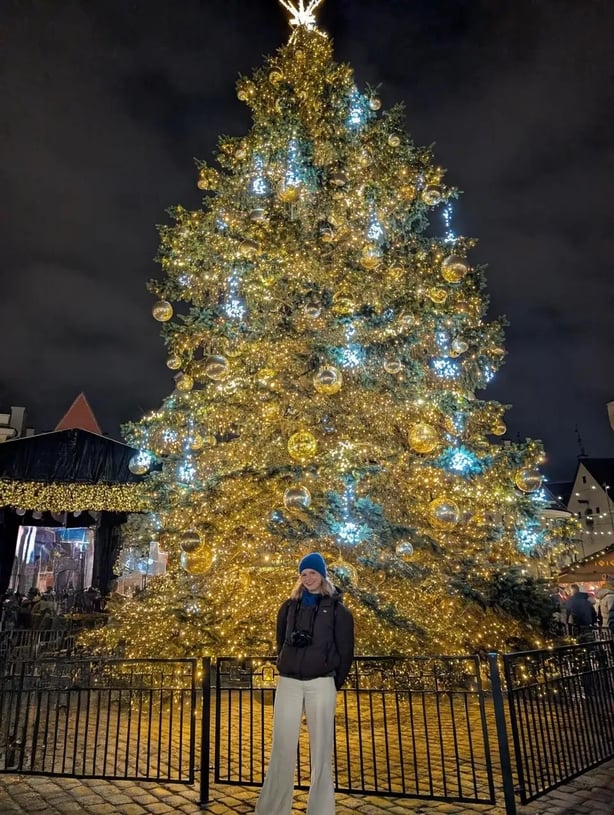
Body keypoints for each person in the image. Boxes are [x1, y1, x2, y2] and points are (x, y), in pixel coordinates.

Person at [255, 552, 354, 815]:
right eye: (304, 574)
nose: (308, 578)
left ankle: (321, 810)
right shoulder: (288, 607)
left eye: (312, 573)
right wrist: (286, 662)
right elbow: (280, 640)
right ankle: (273, 809)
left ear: (322, 575)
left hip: (321, 683)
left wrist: (333, 681)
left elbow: (346, 650)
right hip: (289, 682)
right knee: (281, 747)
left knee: (321, 750)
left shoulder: (337, 609)